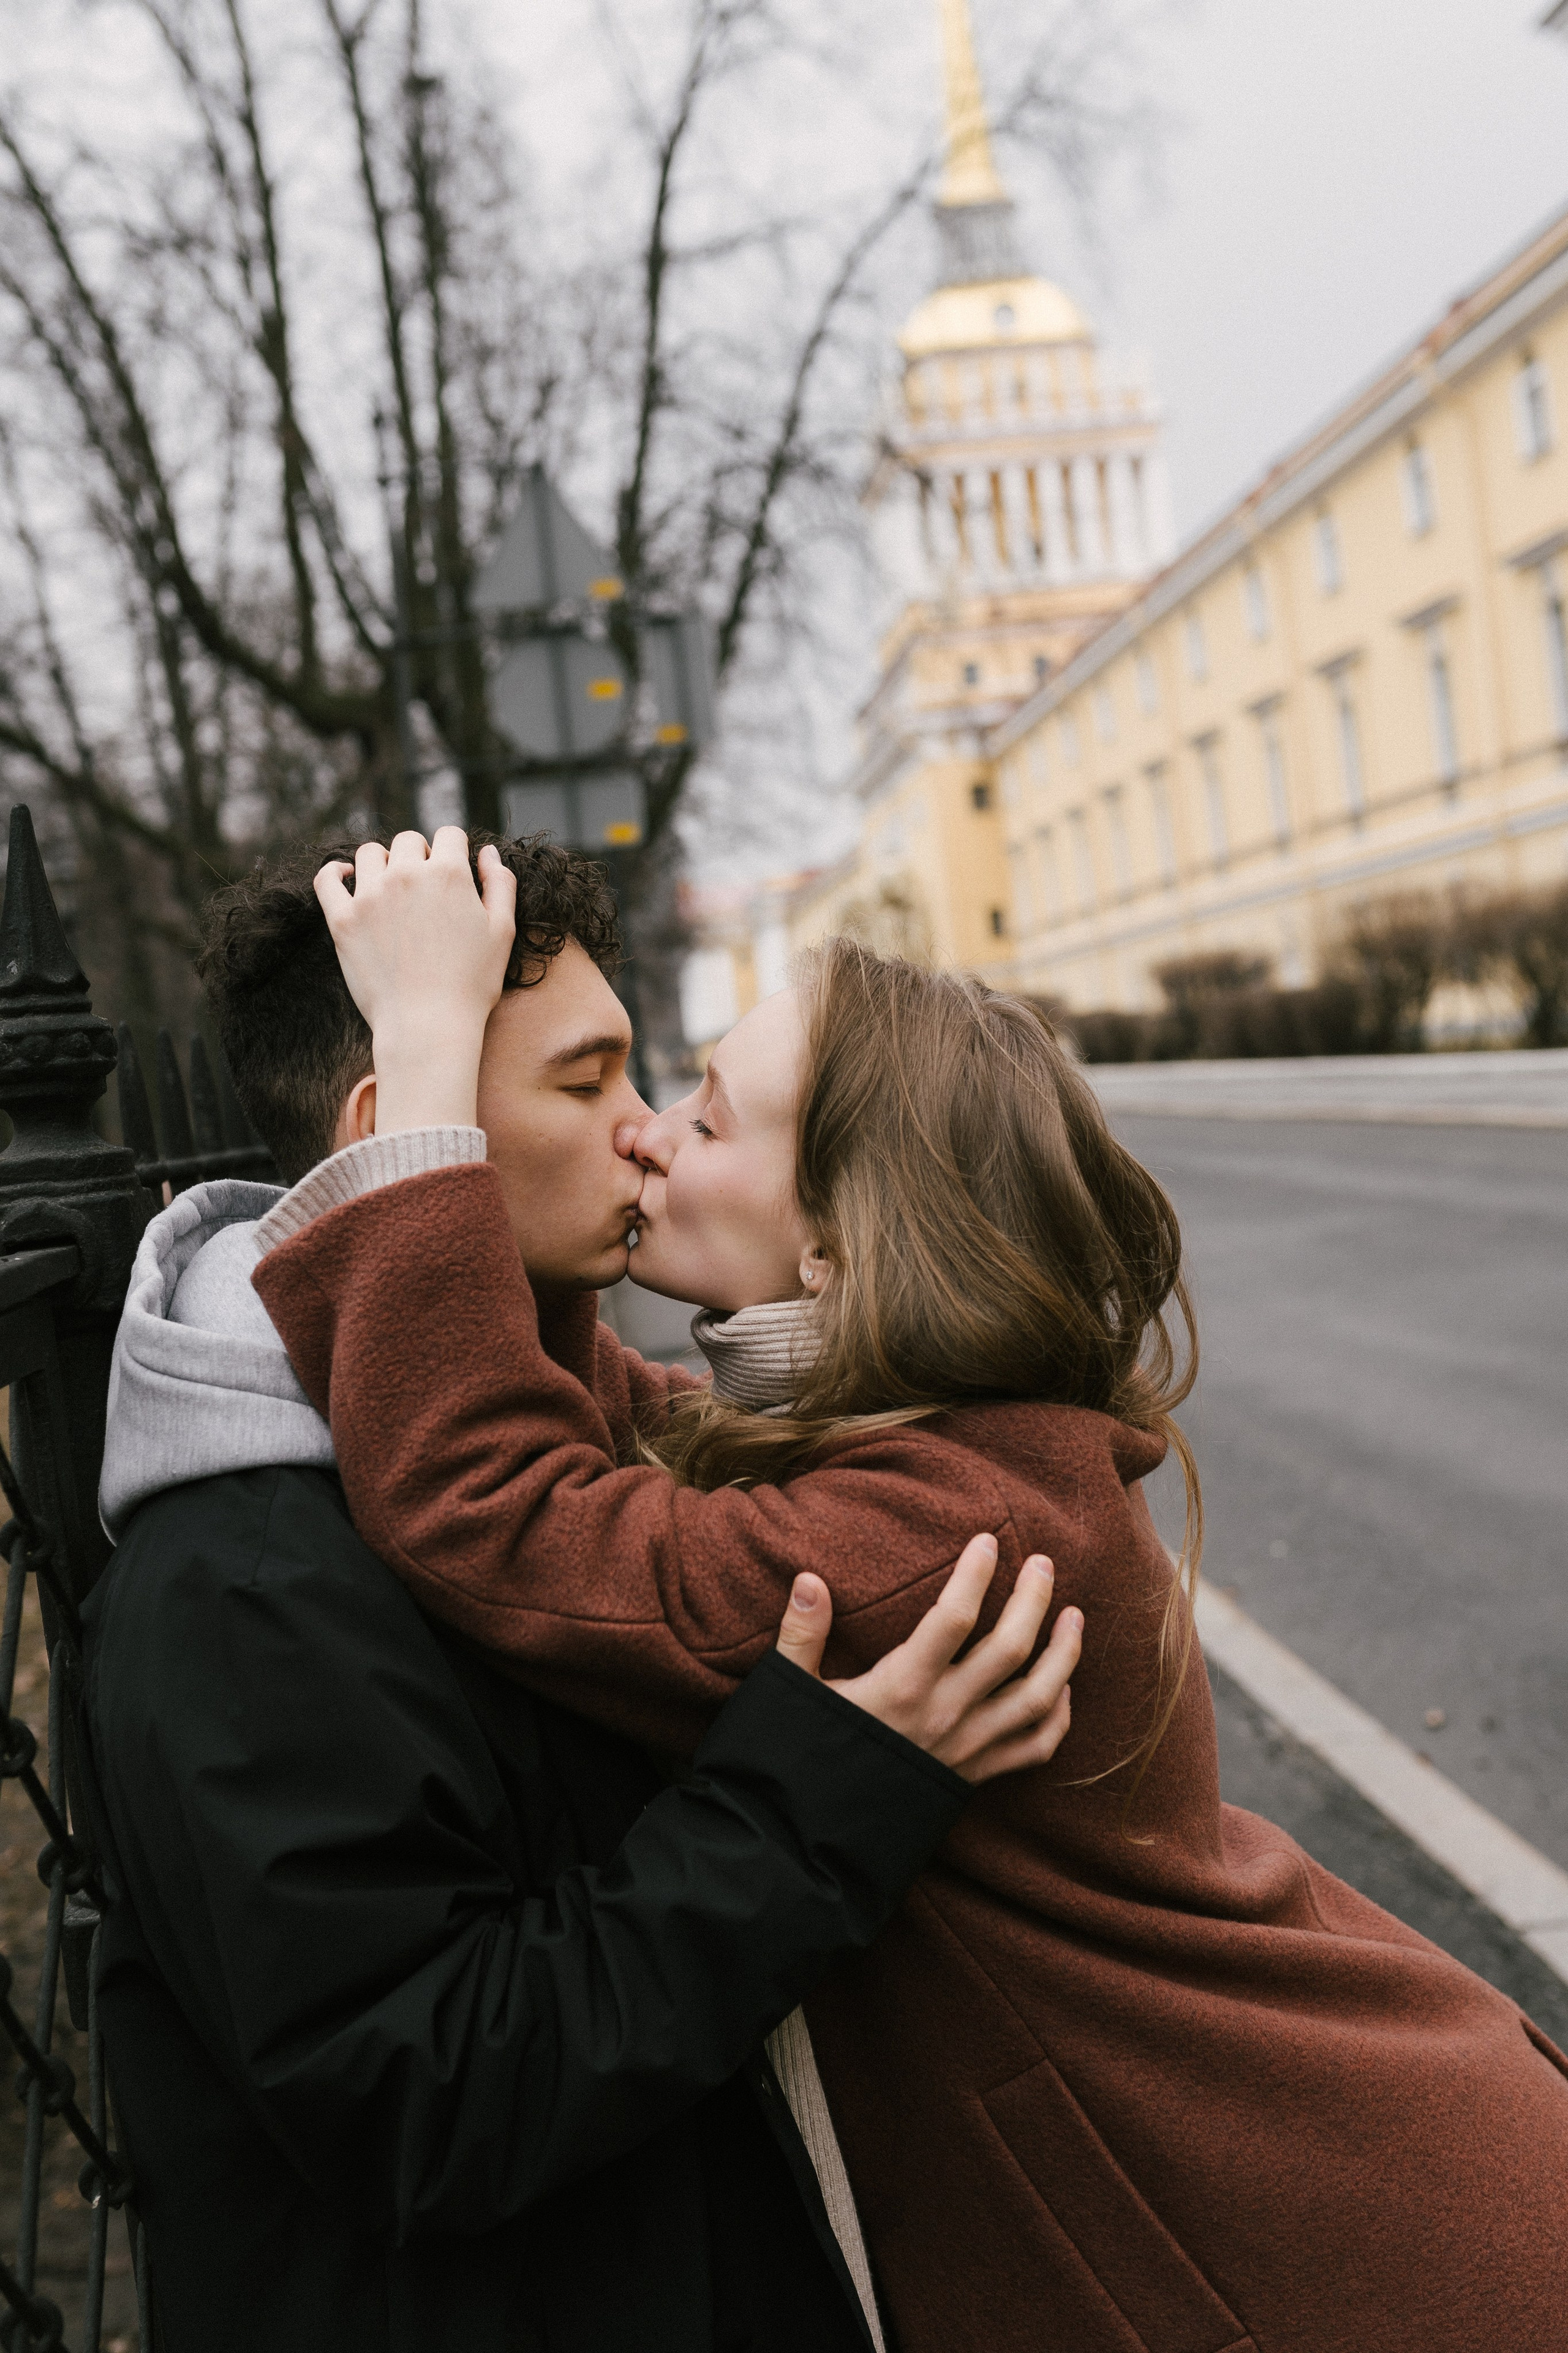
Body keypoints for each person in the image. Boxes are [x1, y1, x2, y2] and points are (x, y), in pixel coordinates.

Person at [252, 826, 1568, 2353]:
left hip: (1346, 2267)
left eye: (709, 1115)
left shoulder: (930, 1544)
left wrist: (424, 1074)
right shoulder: (920, 1449)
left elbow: (495, 1501)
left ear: (833, 1240)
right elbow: (584, 1411)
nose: (648, 1137)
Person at [80, 833, 1084, 2353]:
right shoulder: (245, 1577)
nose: (644, 1135)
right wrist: (812, 1805)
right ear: (396, 1129)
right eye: (585, 1081)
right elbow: (428, 2095)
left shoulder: (561, 1433)